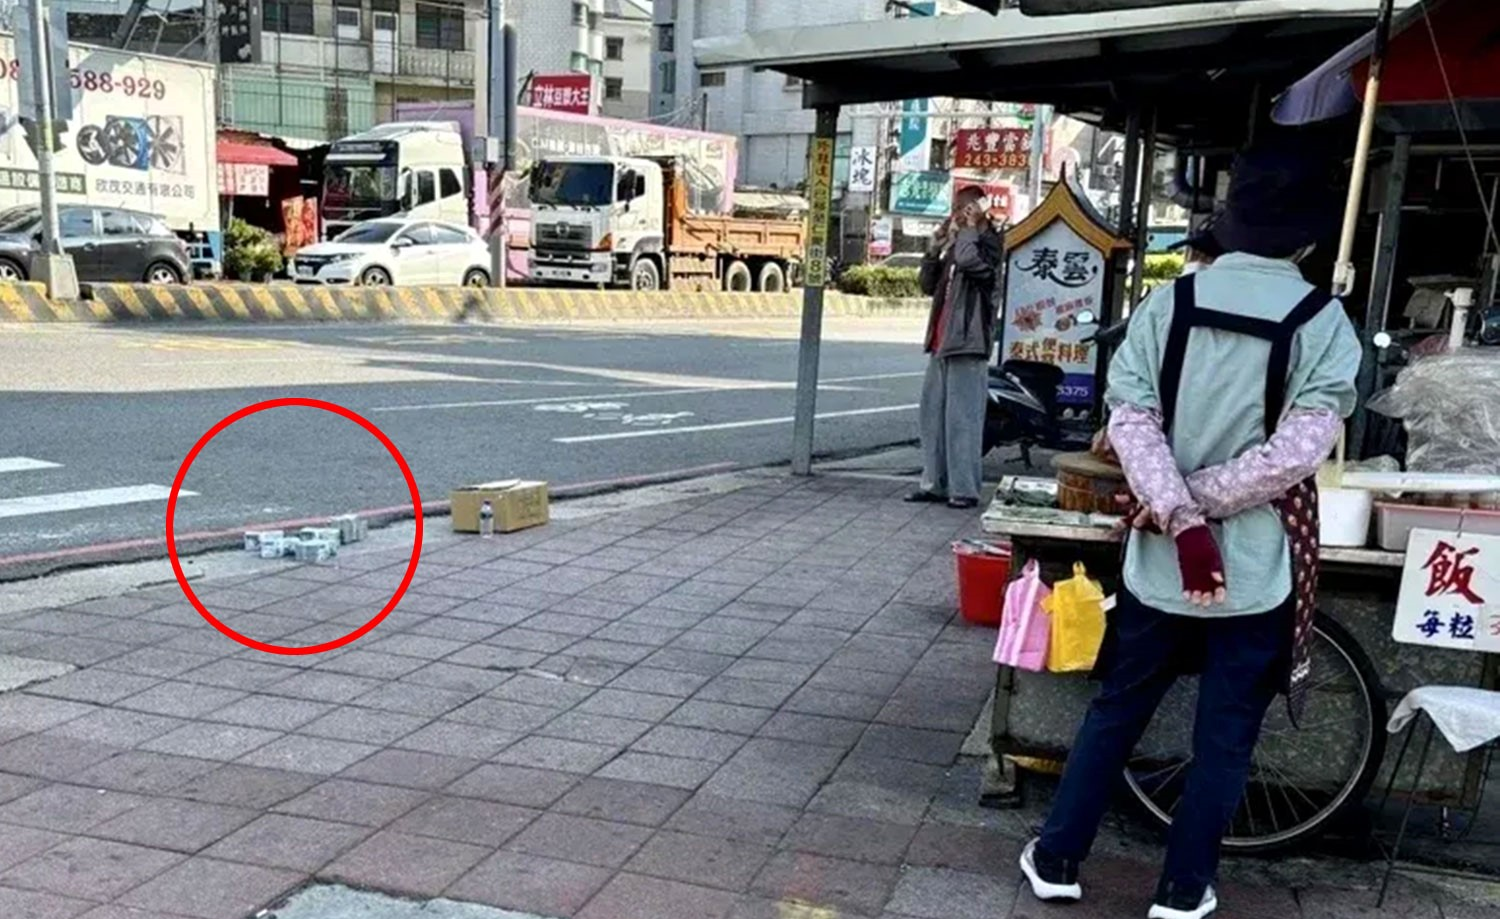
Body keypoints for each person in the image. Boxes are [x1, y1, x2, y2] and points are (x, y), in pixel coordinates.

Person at [1018, 145, 1361, 919]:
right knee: (1226, 735)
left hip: (1160, 560)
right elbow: (1297, 453)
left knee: (1118, 710)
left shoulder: (1167, 305)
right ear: (1308, 239)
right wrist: (1201, 513)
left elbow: (1129, 421)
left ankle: (1058, 858)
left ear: (1230, 225)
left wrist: (1177, 513)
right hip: (1257, 567)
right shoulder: (1324, 322)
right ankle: (1183, 888)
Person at [907, 185, 1002, 509]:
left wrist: (971, 229)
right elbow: (927, 285)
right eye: (956, 208)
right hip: (941, 343)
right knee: (932, 418)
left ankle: (964, 489)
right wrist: (934, 248)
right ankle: (934, 484)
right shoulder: (958, 243)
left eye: (964, 208)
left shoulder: (989, 244)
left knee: (963, 421)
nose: (957, 215)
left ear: (979, 209)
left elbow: (969, 261)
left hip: (968, 343)